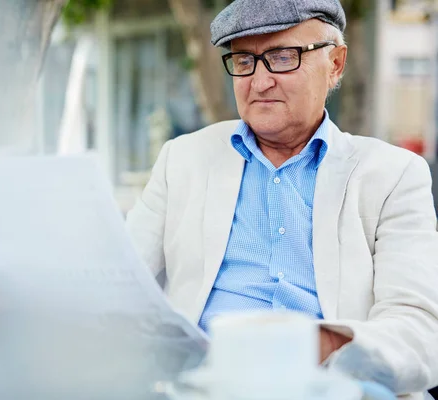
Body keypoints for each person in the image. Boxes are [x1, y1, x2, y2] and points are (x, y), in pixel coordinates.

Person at [126, 0, 438, 398]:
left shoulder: (393, 175)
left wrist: (317, 350)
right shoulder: (183, 159)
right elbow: (122, 286)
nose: (259, 82)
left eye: (282, 57)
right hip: (203, 385)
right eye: (243, 61)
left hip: (336, 384)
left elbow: (420, 325)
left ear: (336, 64)